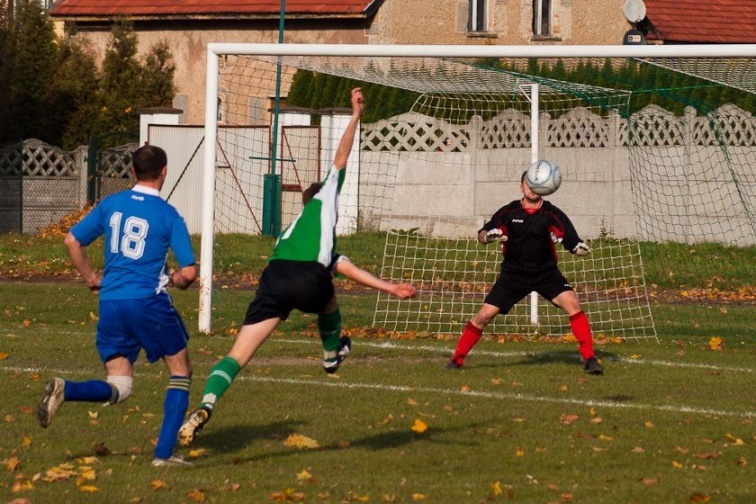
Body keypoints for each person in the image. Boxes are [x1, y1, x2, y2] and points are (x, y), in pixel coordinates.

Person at [177, 87, 417, 447]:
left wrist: (388, 287)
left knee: (237, 355)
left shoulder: (294, 231)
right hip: (307, 276)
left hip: (274, 276)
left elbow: (344, 266)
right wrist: (355, 116)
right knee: (329, 299)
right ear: (323, 195)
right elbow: (341, 156)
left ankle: (207, 404)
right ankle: (331, 356)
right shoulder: (325, 198)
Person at [37, 144, 199, 467]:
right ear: (164, 172)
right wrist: (179, 280)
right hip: (147, 303)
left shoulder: (112, 204)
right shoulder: (168, 215)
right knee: (181, 370)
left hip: (111, 302)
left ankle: (66, 389)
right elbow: (190, 273)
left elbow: (72, 240)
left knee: (120, 386)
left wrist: (91, 277)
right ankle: (164, 454)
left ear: (132, 172)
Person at [447, 166, 604, 375]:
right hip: (513, 274)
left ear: (546, 187)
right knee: (483, 316)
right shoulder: (508, 212)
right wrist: (488, 236)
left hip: (546, 273)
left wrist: (577, 248)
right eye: (528, 184)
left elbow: (570, 238)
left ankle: (590, 359)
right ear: (522, 186)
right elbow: (482, 234)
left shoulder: (552, 214)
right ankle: (456, 359)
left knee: (573, 303)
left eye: (536, 184)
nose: (532, 188)